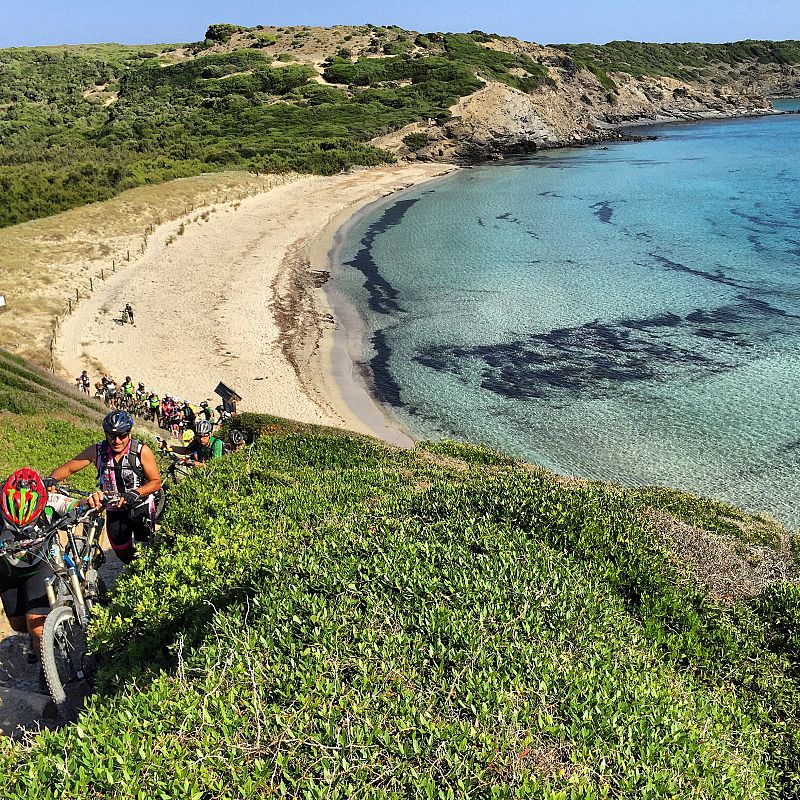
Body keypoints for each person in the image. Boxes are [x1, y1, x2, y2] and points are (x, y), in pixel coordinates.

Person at [49, 411, 161, 565]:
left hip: (140, 506)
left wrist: (136, 492)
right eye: (111, 436)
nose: (117, 441)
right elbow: (68, 468)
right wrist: (51, 480)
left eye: (122, 435)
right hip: (114, 508)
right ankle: (134, 569)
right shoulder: (98, 451)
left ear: (130, 433)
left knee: (147, 549)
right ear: (106, 434)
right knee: (121, 550)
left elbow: (155, 482)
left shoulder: (141, 451)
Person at [0, 468, 81, 662]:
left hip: (40, 566)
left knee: (37, 627)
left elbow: (74, 505)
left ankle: (45, 670)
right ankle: (35, 641)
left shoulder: (50, 499)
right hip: (7, 571)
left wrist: (91, 502)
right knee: (19, 625)